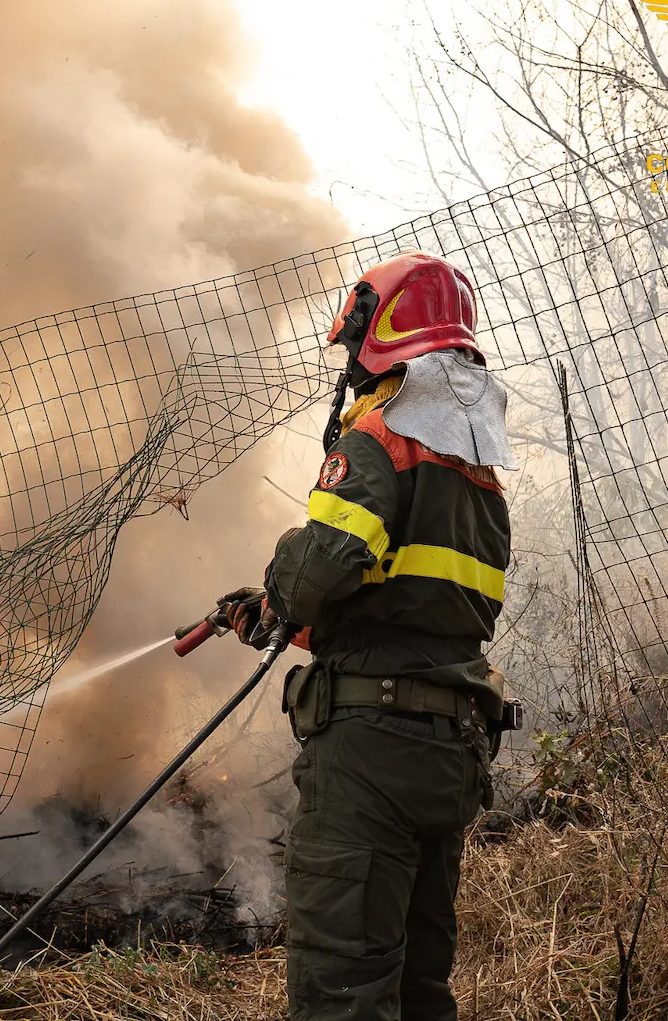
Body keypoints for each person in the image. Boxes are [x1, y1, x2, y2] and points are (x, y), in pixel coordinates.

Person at [221, 251, 516, 1021]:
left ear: (380, 335)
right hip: (446, 752)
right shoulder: (478, 467)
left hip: (370, 762)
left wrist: (283, 580)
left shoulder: (379, 438)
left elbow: (326, 563)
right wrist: (286, 621)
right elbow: (406, 609)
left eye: (355, 350)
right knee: (420, 991)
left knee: (343, 991)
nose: (350, 367)